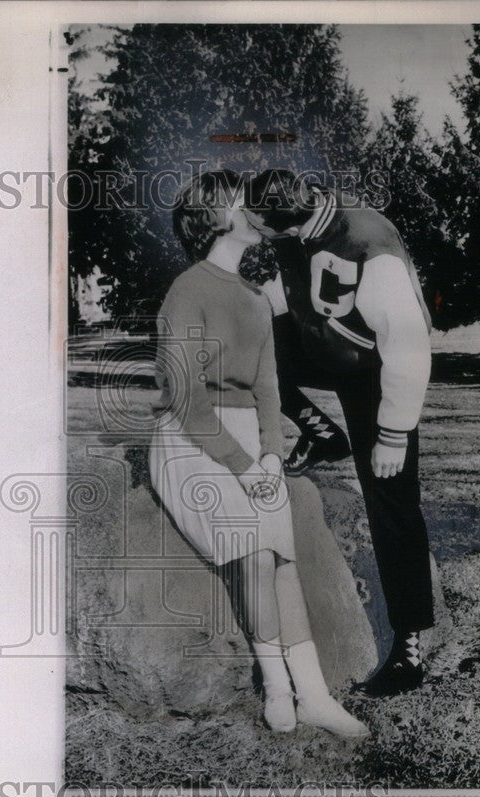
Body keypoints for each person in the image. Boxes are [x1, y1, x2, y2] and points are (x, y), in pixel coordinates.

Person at [148, 169, 367, 737]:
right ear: (214, 218)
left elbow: (269, 389)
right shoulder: (186, 290)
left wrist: (271, 454)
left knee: (283, 559)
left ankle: (315, 697)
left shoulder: (253, 296)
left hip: (249, 443)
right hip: (190, 441)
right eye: (241, 200)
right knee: (254, 549)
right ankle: (278, 689)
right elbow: (185, 398)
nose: (256, 207)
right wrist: (244, 467)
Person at [244, 169, 434, 698]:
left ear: (285, 221)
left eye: (261, 224)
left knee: (389, 499)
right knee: (253, 351)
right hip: (330, 350)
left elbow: (409, 345)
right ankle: (323, 436)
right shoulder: (297, 229)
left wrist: (393, 433)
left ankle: (409, 646)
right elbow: (289, 294)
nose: (253, 228)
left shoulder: (368, 243)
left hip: (379, 371)